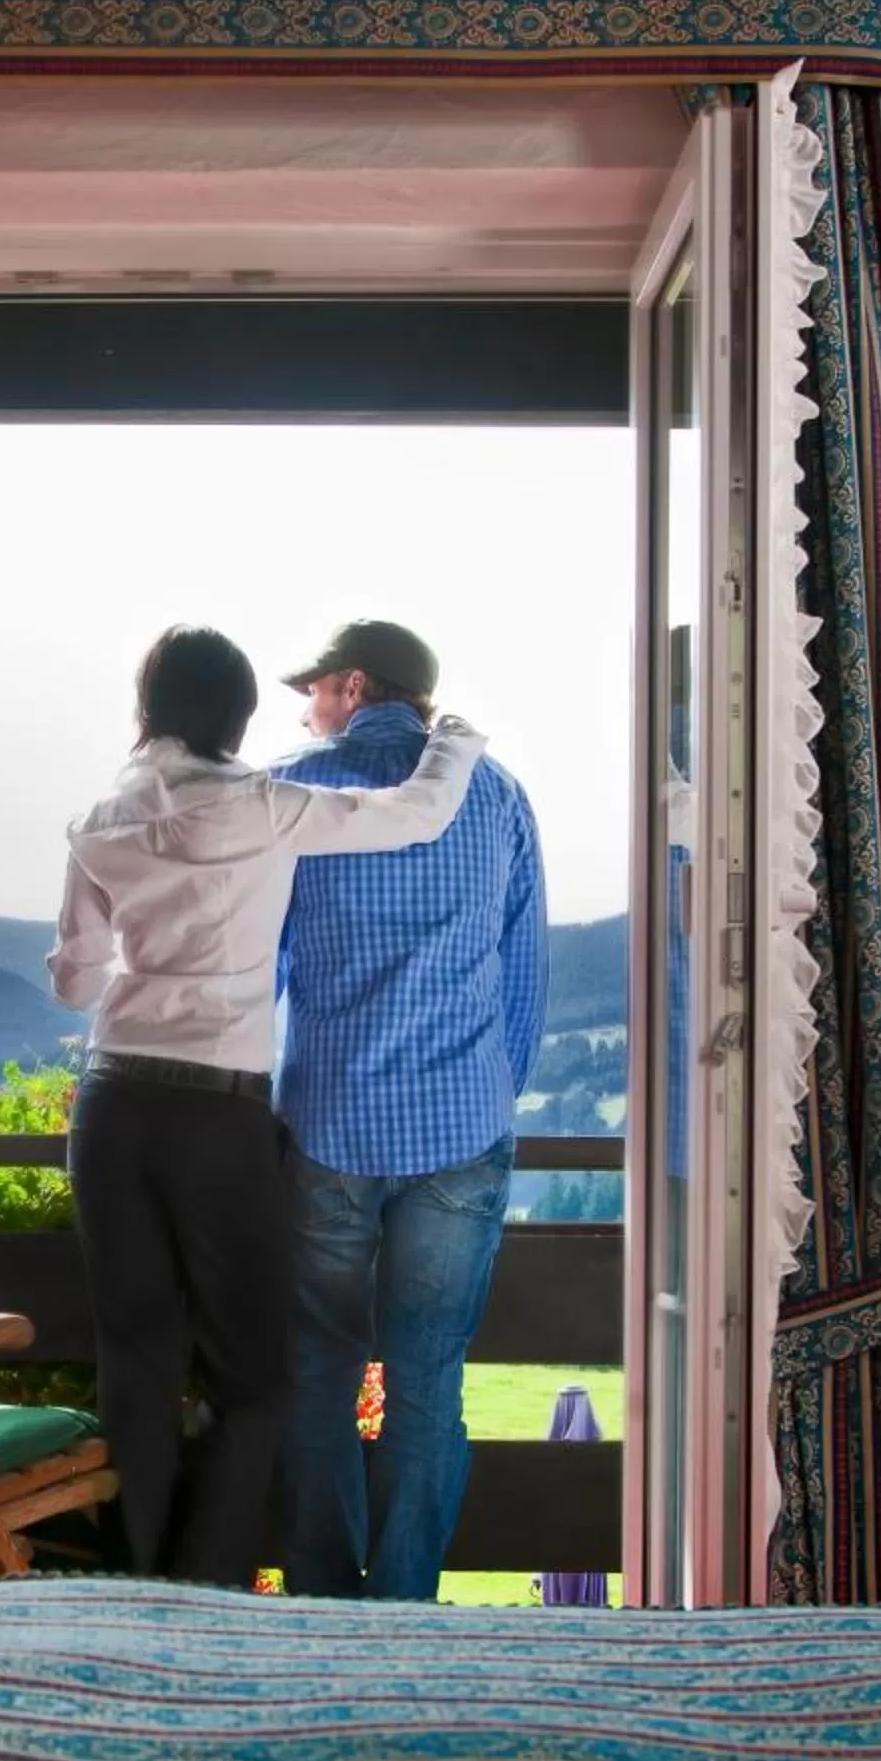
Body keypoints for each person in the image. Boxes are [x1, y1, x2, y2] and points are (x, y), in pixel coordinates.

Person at [47, 625, 487, 1588]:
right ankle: (205, 1596)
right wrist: (453, 735)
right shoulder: (266, 807)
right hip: (217, 1112)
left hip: (113, 1104)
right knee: (255, 1375)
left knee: (137, 1362)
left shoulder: (99, 817)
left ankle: (137, 1593)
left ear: (147, 709)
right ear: (238, 716)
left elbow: (76, 985)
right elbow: (416, 814)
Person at [272, 619, 546, 1601]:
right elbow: (523, 974)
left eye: (313, 688)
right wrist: (484, 1095)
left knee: (319, 1379)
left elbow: (260, 964)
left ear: (352, 685)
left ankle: (318, 1608)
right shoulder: (498, 792)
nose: (306, 708)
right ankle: (403, 1613)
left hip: (327, 1125)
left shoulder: (293, 790)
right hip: (460, 1128)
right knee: (429, 1384)